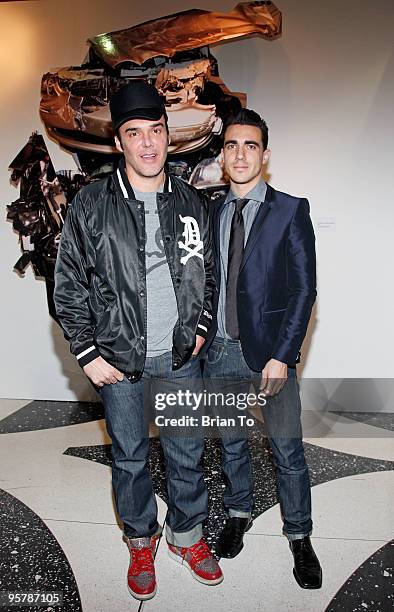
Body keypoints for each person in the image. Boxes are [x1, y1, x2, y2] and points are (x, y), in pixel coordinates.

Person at [54, 81, 223, 601]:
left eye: (156, 131)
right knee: (128, 455)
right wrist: (87, 353)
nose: (148, 143)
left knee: (187, 450)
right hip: (119, 359)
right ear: (119, 143)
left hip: (179, 357)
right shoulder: (91, 204)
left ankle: (187, 534)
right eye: (135, 133)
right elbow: (67, 283)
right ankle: (140, 537)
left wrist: (199, 329)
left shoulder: (191, 200)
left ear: (168, 137)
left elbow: (209, 272)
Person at [203, 109, 322, 589]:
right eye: (232, 145)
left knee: (286, 449)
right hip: (219, 351)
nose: (240, 154)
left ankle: (299, 534)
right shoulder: (211, 211)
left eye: (250, 145)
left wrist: (283, 355)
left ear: (265, 155)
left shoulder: (291, 210)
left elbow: (303, 291)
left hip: (271, 354)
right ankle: (237, 512)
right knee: (231, 442)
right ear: (222, 153)